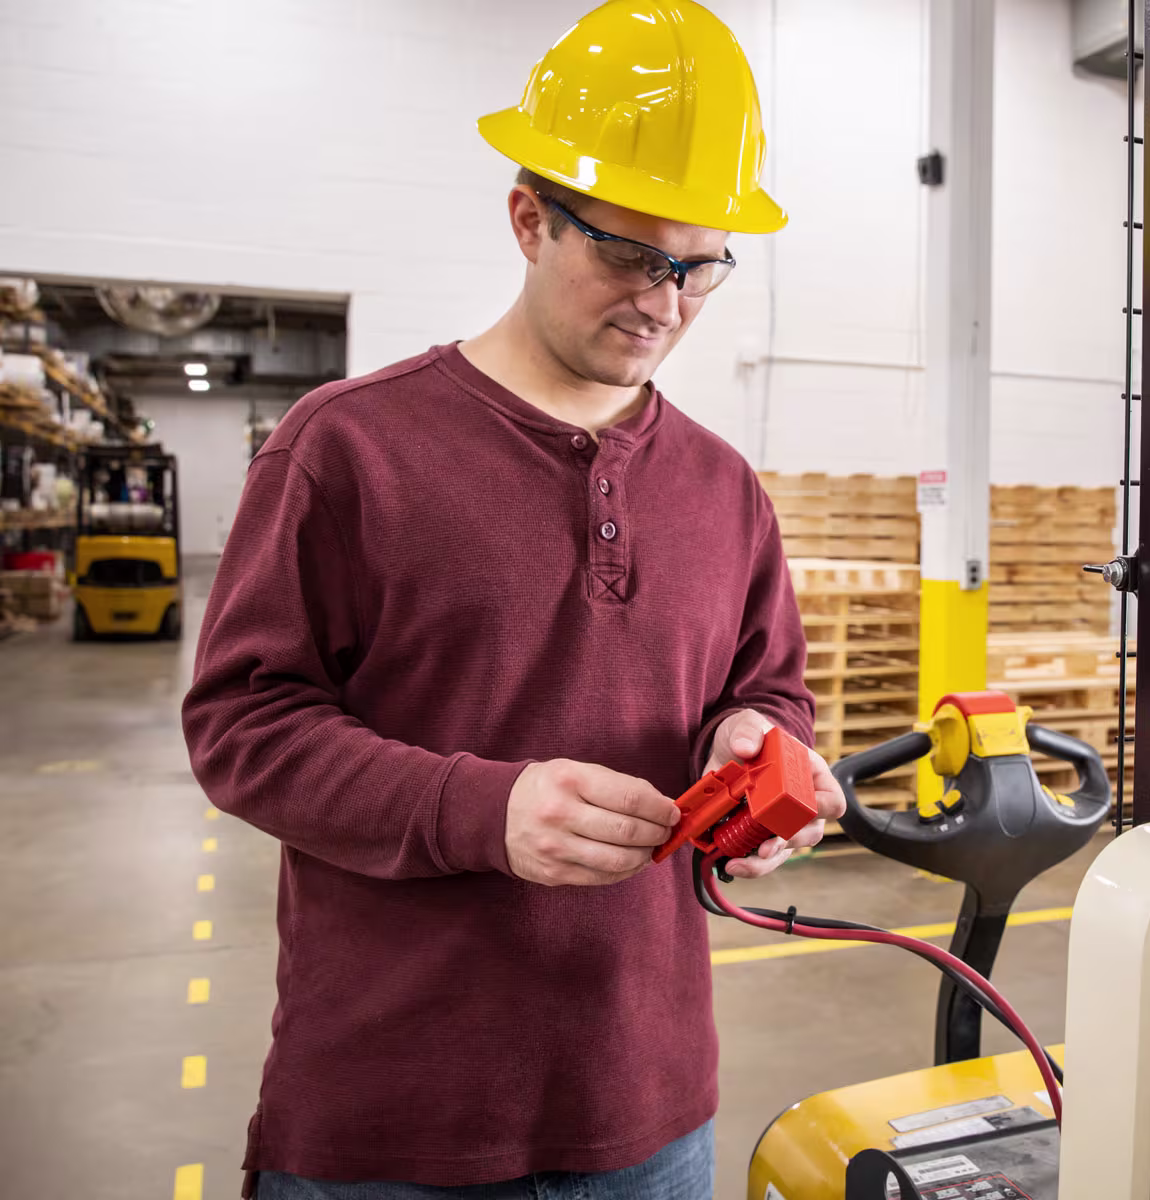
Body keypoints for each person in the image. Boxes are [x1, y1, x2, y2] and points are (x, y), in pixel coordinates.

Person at [182, 2, 845, 1197]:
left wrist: (757, 742)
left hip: (649, 1113)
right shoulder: (347, 451)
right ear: (529, 218)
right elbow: (241, 727)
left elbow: (767, 685)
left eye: (698, 267)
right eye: (629, 255)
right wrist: (478, 811)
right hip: (392, 1119)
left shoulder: (722, 488)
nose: (663, 302)